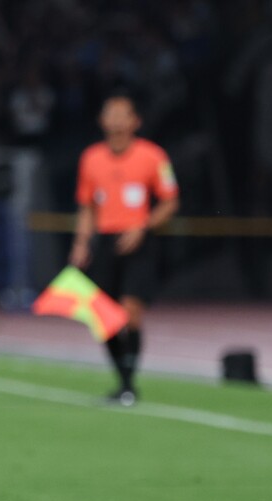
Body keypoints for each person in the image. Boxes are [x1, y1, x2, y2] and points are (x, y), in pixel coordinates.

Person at [69, 94, 179, 406]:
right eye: (111, 114)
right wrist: (81, 242)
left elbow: (170, 201)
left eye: (123, 114)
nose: (116, 120)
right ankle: (123, 380)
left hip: (139, 241)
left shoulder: (153, 156)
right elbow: (86, 206)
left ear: (135, 121)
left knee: (130, 312)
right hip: (105, 242)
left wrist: (143, 226)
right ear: (101, 120)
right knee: (103, 317)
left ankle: (129, 384)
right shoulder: (91, 158)